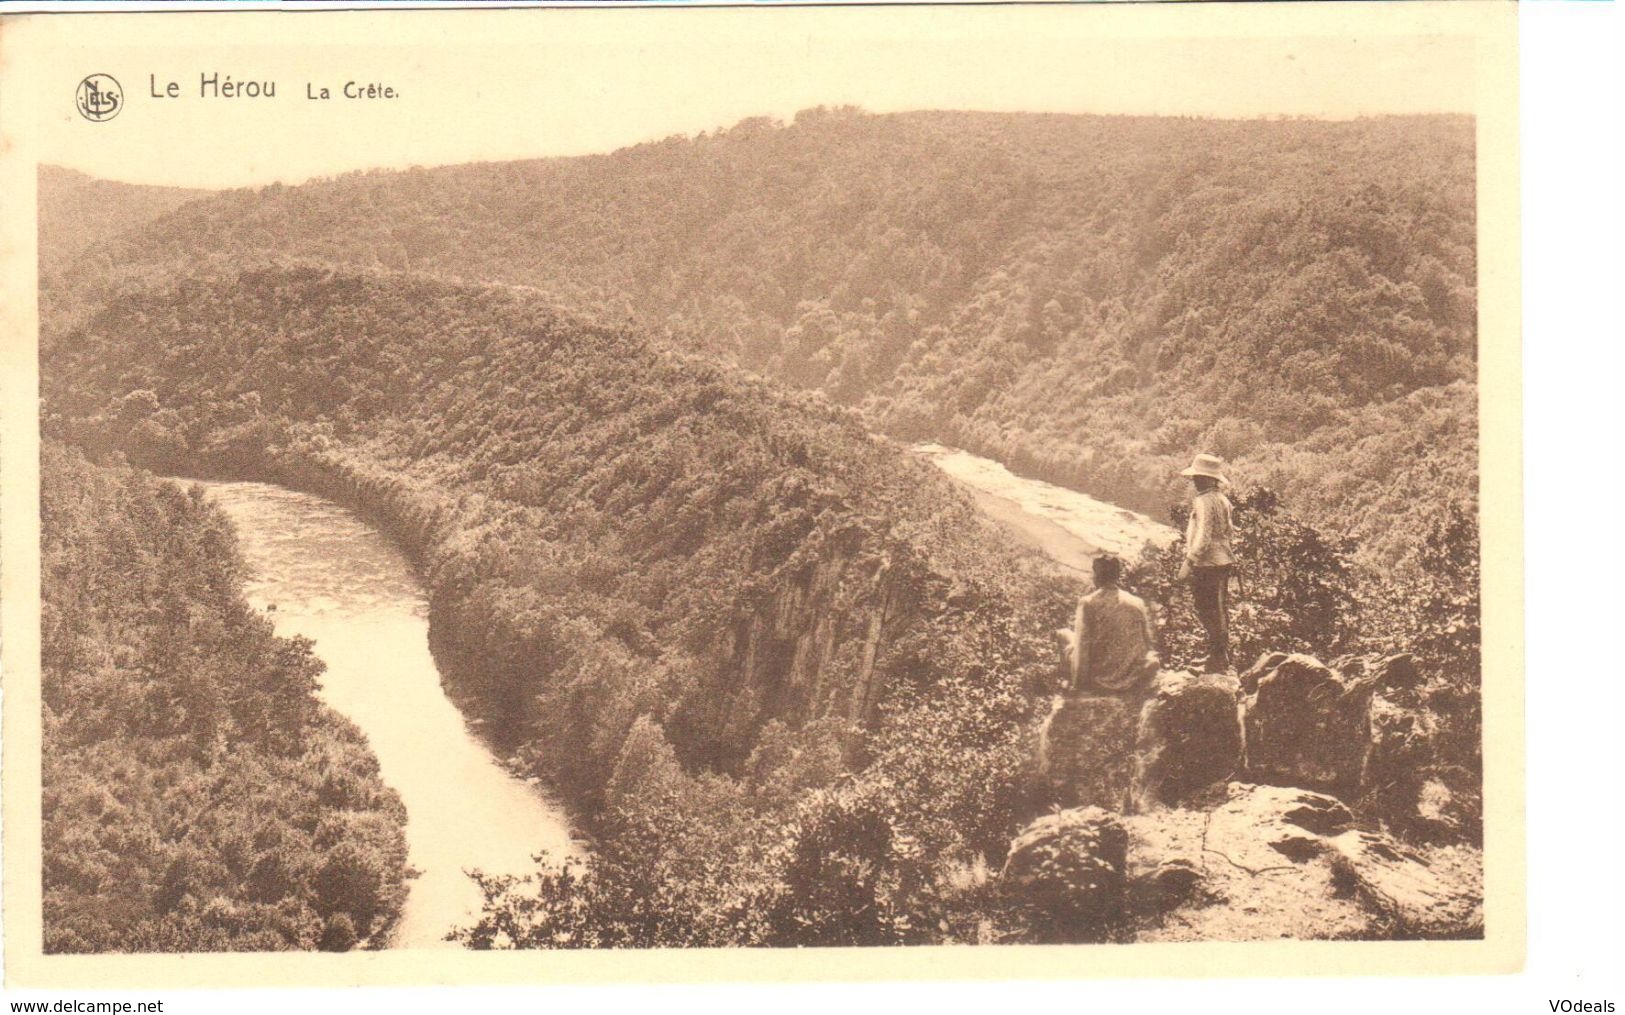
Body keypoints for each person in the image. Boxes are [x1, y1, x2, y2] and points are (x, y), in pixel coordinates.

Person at [1059, 554, 1160, 694]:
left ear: (1097, 576)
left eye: (1093, 573)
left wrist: (1078, 685)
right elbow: (1148, 642)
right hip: (1132, 678)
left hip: (1101, 679)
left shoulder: (1088, 602)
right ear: (1117, 575)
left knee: (1063, 634)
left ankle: (1068, 685)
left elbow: (1083, 647)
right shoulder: (1136, 602)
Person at [1177, 452, 1236, 673]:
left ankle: (1217, 659)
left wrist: (1188, 562)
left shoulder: (1202, 501)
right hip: (1223, 560)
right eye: (1196, 477)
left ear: (1211, 479)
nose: (1195, 481)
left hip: (1207, 562)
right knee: (1219, 609)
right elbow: (1228, 531)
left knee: (1207, 608)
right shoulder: (1223, 500)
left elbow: (1203, 536)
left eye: (1200, 477)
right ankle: (1219, 656)